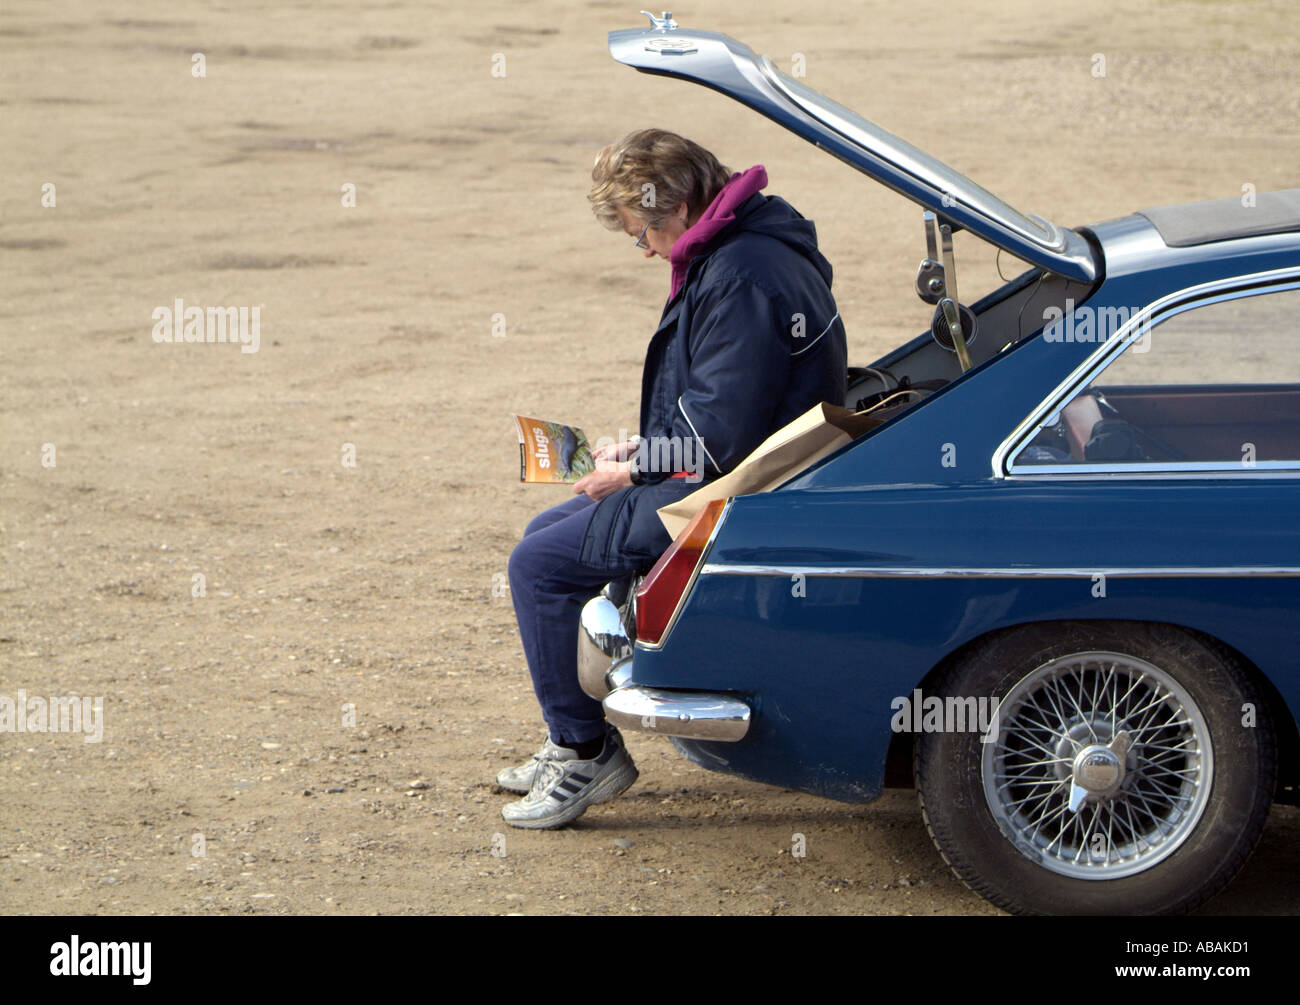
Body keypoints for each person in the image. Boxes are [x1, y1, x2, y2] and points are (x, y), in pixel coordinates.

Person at [498, 128, 847, 828]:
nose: (647, 249)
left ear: (680, 205)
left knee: (537, 564)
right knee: (545, 535)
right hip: (733, 474)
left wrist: (633, 469)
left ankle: (585, 752)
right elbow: (718, 410)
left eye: (645, 233)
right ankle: (573, 730)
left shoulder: (742, 274)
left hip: (736, 496)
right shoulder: (739, 249)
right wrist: (640, 455)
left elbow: (719, 437)